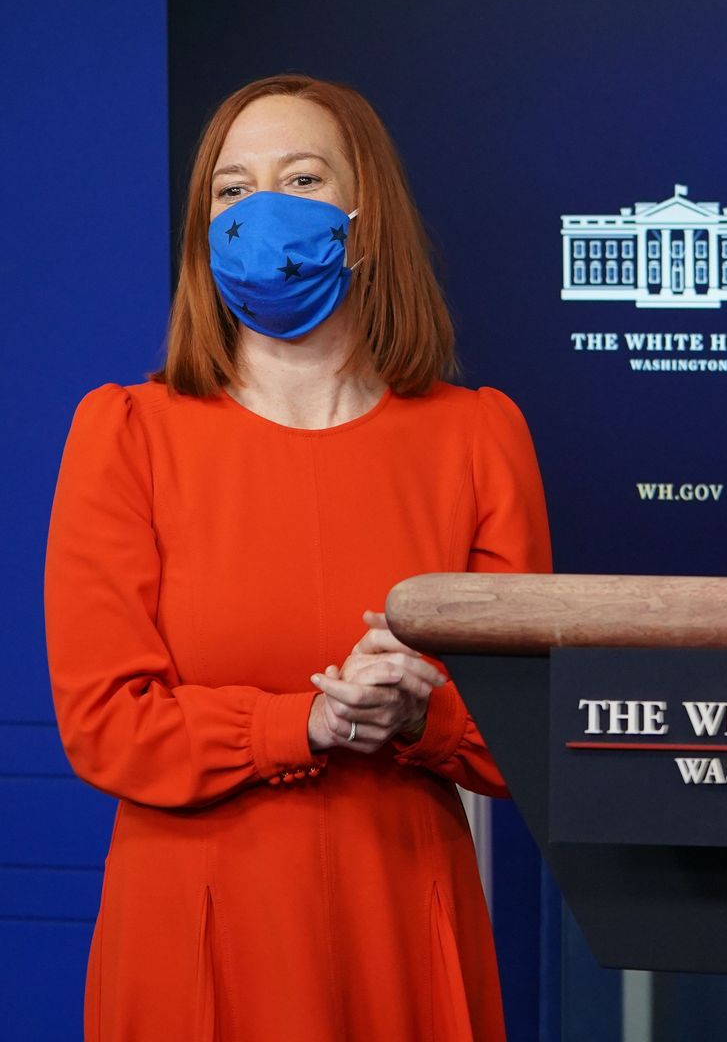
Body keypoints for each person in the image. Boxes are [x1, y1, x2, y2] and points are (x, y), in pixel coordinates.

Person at [44, 75, 550, 1041]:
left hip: (400, 926)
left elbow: (521, 738)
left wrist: (422, 711)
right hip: (193, 936)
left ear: (367, 217)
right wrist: (304, 722)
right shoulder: (127, 433)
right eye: (231, 191)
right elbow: (106, 720)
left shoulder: (480, 437)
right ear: (204, 230)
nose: (261, 209)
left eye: (302, 176)